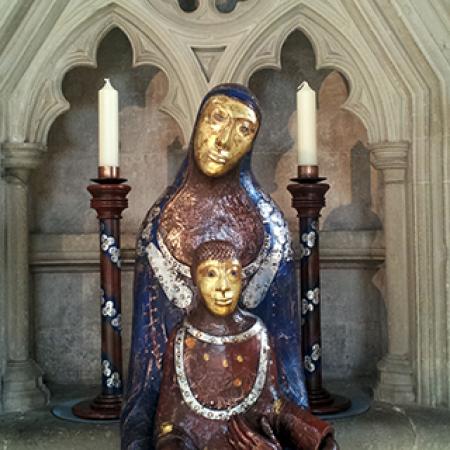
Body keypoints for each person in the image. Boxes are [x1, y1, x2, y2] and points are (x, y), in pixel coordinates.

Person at [122, 84, 308, 449]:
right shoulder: (160, 225)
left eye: (243, 130)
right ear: (197, 125)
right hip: (179, 417)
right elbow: (148, 365)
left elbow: (284, 357)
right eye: (217, 119)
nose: (223, 141)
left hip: (255, 418)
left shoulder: (269, 228)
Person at [154, 240, 338, 450]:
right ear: (194, 279)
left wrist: (316, 437)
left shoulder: (256, 334)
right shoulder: (182, 338)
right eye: (211, 274)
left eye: (232, 274)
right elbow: (169, 424)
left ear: (243, 278)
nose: (223, 287)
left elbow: (272, 406)